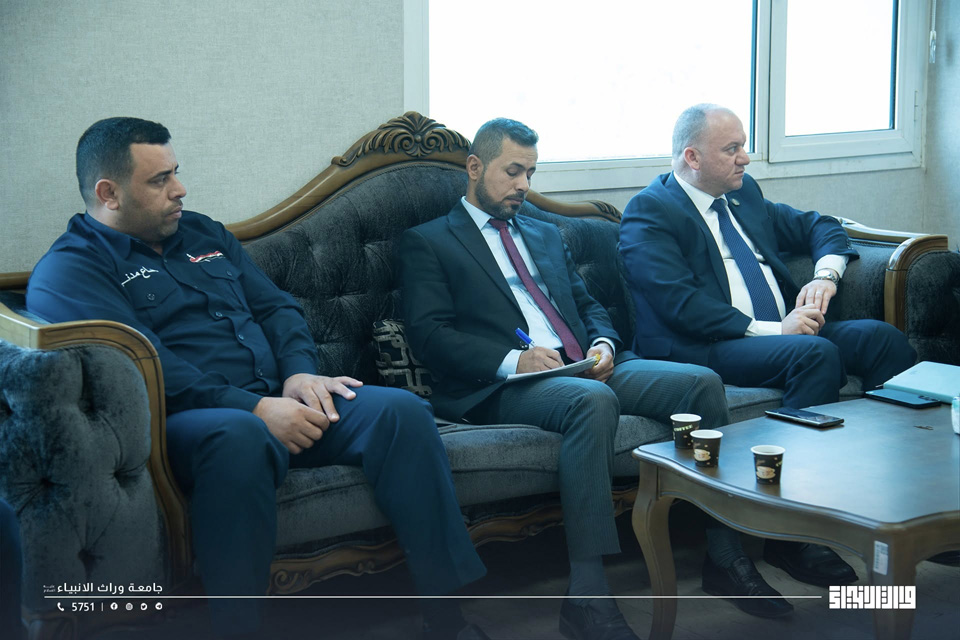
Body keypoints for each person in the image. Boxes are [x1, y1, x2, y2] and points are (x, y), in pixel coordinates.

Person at [26, 118, 489, 640]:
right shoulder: (72, 270)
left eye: (175, 172)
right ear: (108, 193)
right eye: (159, 180)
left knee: (400, 412)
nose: (180, 189)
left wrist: (300, 374)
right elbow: (143, 366)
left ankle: (446, 617)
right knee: (239, 436)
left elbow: (276, 307)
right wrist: (255, 409)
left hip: (278, 401)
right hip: (184, 424)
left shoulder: (202, 233)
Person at [397, 118, 730, 640]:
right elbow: (431, 336)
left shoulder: (544, 233)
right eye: (512, 172)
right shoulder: (430, 241)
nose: (523, 185)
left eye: (530, 173)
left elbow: (588, 305)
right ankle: (587, 595)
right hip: (502, 386)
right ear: (475, 167)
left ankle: (726, 554)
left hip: (584, 366)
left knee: (702, 384)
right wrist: (514, 360)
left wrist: (604, 345)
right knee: (591, 401)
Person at [619, 103, 917, 616]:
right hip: (705, 347)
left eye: (744, 146)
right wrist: (777, 329)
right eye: (732, 149)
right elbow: (679, 304)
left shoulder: (742, 195)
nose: (746, 158)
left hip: (781, 332)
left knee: (881, 339)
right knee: (813, 355)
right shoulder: (650, 211)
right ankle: (790, 531)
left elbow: (820, 226)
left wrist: (825, 277)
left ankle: (908, 504)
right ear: (692, 157)